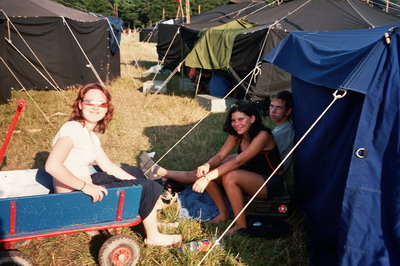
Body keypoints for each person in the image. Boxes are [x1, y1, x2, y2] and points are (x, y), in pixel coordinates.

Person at [45, 83, 181, 246]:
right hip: (75, 196)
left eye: (101, 104)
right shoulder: (73, 129)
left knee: (136, 174)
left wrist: (135, 184)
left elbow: (108, 166)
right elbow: (52, 166)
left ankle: (147, 218)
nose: (95, 108)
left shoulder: (90, 134)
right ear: (80, 104)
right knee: (147, 186)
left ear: (106, 108)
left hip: (83, 186)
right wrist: (84, 187)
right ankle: (153, 236)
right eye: (90, 102)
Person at [140, 100, 284, 234]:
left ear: (252, 118)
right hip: (251, 175)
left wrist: (208, 177)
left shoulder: (262, 135)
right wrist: (206, 165)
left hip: (270, 183)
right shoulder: (238, 134)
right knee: (210, 172)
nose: (236, 124)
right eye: (233, 120)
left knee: (230, 176)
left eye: (241, 119)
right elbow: (220, 156)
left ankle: (241, 226)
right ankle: (224, 214)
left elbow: (238, 162)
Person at [269, 90, 294, 172]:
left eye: (278, 107)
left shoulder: (281, 133)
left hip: (270, 175)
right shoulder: (285, 127)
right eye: (271, 106)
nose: (273, 111)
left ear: (288, 111)